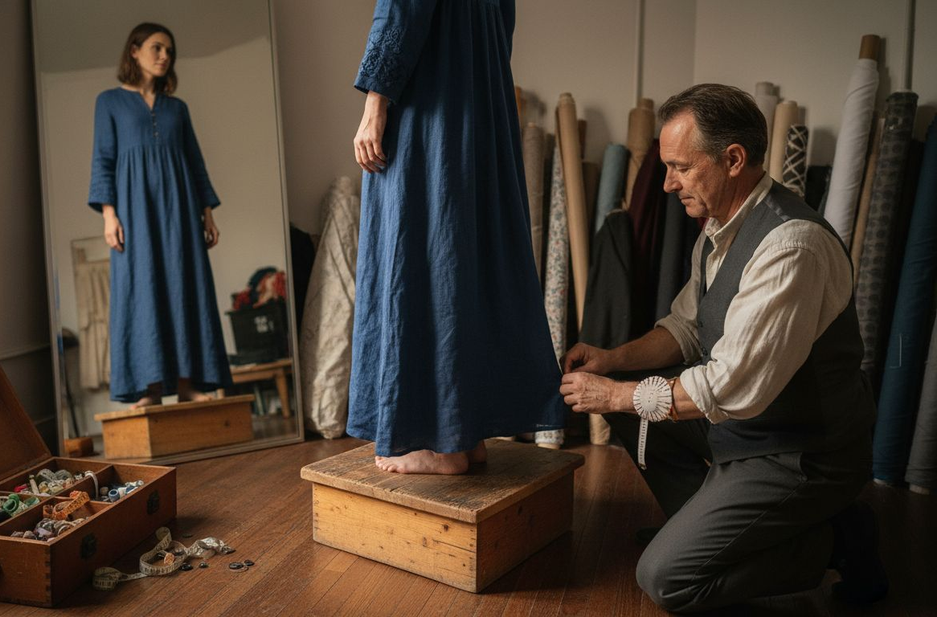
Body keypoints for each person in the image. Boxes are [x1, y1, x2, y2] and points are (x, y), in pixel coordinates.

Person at [559, 84, 888, 612]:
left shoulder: (791, 247)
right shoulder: (718, 228)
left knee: (665, 580)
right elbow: (687, 327)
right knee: (631, 412)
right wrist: (611, 362)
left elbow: (730, 386)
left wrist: (616, 395)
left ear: (733, 159)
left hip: (798, 450)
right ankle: (714, 531)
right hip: (745, 425)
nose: (667, 184)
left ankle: (839, 541)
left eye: (681, 167)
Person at [349, 0, 565, 474]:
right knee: (464, 250)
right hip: (479, 108)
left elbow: (401, 12)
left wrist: (375, 103)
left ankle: (438, 444)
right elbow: (501, 29)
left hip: (430, 112)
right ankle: (467, 434)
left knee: (421, 248)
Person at [88, 22, 232, 408]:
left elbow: (196, 162)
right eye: (156, 47)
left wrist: (207, 214)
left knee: (185, 285)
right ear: (134, 51)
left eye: (169, 50)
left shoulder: (177, 109)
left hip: (181, 211)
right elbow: (104, 161)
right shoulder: (110, 103)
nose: (165, 55)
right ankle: (150, 389)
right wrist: (108, 215)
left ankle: (187, 384)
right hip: (134, 214)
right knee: (142, 291)